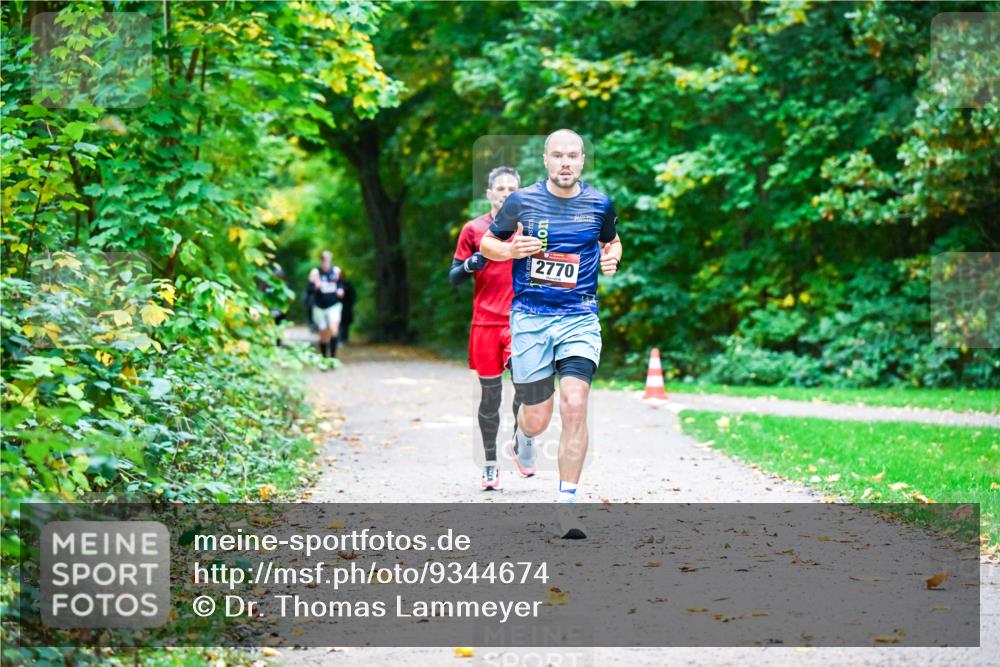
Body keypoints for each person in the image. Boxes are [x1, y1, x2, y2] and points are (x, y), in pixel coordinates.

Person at [480, 129, 622, 537]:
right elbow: (489, 243)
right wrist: (509, 251)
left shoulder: (599, 203)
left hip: (579, 316)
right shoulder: (521, 201)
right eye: (558, 155)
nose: (565, 162)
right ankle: (523, 434)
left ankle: (566, 507)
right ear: (545, 160)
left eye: (573, 156)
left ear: (582, 160)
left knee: (574, 403)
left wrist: (611, 258)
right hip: (531, 319)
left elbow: (612, 242)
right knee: (538, 419)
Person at [450, 166, 522, 491]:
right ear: (490, 193)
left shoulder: (531, 228)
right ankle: (491, 464)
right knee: (491, 398)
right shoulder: (473, 229)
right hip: (485, 323)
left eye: (512, 189)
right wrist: (468, 265)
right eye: (501, 189)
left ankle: (521, 442)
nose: (506, 193)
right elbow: (453, 276)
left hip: (522, 321)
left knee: (528, 388)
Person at [308, 251, 345, 358]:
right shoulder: (315, 273)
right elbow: (309, 290)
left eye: (328, 260)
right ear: (321, 261)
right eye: (324, 260)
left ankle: (333, 357)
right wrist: (316, 286)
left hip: (333, 305)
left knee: (334, 330)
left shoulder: (336, 271)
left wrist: (340, 290)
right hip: (319, 306)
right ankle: (324, 358)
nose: (326, 263)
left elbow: (341, 285)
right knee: (323, 333)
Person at [338, 270, 356, 346]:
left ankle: (343, 339)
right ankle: (340, 339)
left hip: (346, 308)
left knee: (344, 325)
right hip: (338, 308)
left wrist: (349, 303)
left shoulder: (347, 285)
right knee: (339, 324)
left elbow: (353, 296)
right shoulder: (333, 284)